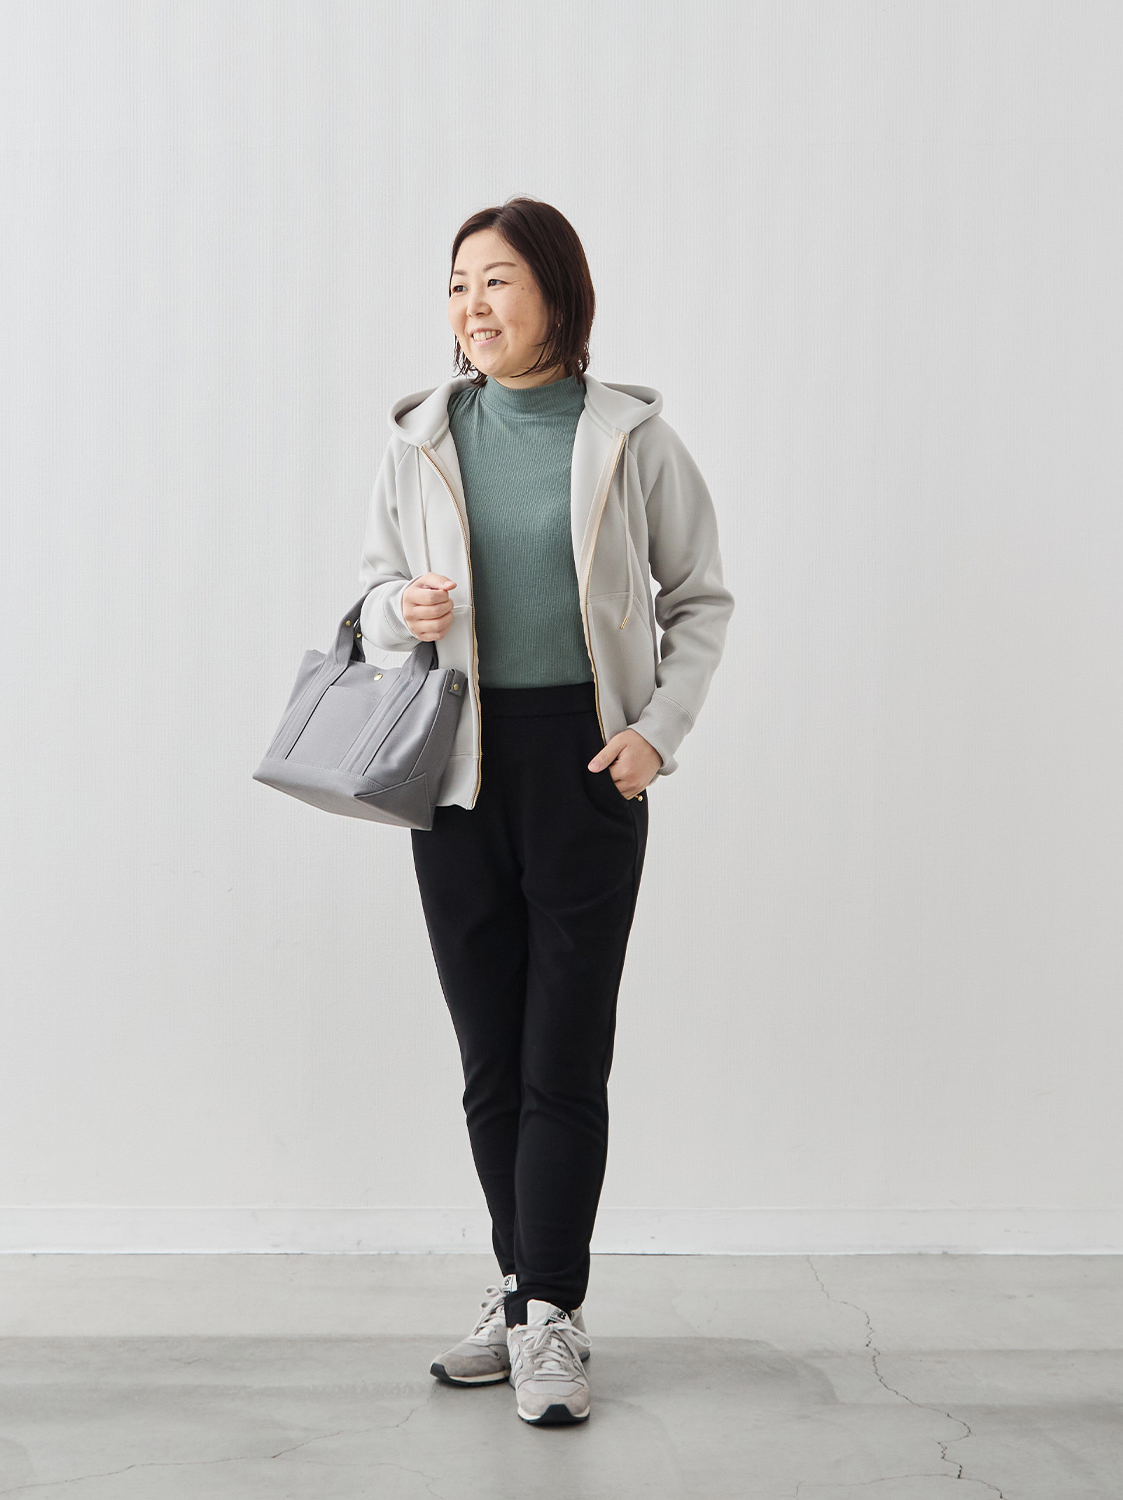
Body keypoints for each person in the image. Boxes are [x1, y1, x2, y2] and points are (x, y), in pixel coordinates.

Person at [356, 196, 734, 1425]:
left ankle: (552, 1309)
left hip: (585, 762)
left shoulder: (631, 438)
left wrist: (655, 734)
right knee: (490, 1058)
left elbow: (699, 598)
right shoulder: (421, 436)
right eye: (457, 283)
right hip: (454, 766)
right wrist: (397, 611)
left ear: (558, 296)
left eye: (498, 281)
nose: (472, 305)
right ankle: (524, 1295)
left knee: (563, 1052)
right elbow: (370, 595)